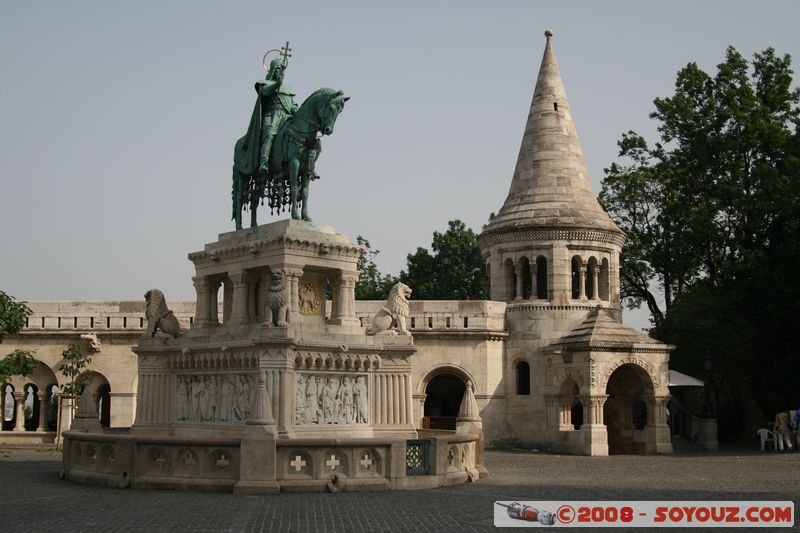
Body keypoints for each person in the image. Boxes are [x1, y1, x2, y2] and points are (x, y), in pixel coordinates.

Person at [233, 57, 297, 178]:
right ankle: (263, 162)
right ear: (272, 69)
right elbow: (264, 92)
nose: (280, 72)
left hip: (286, 117)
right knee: (269, 134)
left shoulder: (288, 88)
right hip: (271, 115)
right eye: (277, 69)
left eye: (281, 70)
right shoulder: (264, 83)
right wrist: (277, 84)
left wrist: (295, 108)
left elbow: (292, 103)